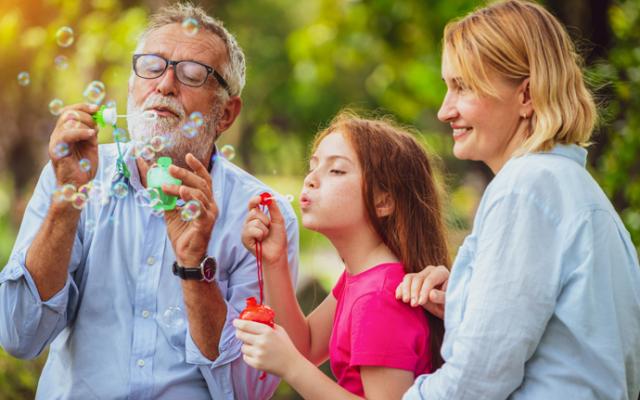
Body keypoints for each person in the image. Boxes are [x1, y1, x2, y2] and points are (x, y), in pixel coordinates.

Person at [0, 3, 299, 399]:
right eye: (152, 65)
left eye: (193, 73)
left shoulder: (261, 214)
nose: (165, 84)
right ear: (131, 86)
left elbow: (247, 388)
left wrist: (195, 268)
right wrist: (64, 204)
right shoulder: (72, 178)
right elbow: (19, 335)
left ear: (226, 114)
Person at [396, 1, 640, 398]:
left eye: (462, 87)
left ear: (526, 95)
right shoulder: (574, 188)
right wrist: (465, 298)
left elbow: (476, 381)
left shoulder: (526, 188)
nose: (444, 110)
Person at [233, 112, 450, 399]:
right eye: (313, 166)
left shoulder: (379, 296)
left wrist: (292, 367)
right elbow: (306, 346)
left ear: (383, 201)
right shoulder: (362, 279)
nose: (310, 179)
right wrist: (275, 260)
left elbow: (298, 358)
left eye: (335, 170)